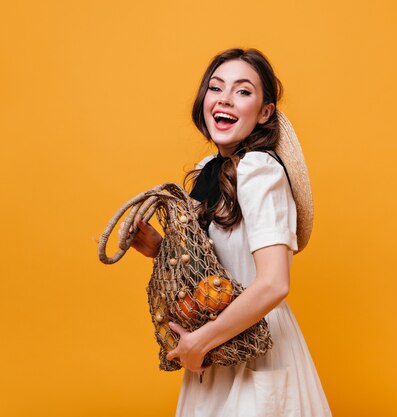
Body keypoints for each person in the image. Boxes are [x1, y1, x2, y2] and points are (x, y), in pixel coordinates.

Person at [123, 48, 331, 417]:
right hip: (219, 350)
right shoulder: (210, 170)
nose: (225, 99)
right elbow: (217, 272)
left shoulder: (259, 171)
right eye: (216, 88)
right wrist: (160, 250)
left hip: (253, 348)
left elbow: (273, 284)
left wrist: (199, 341)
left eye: (243, 91)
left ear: (265, 112)